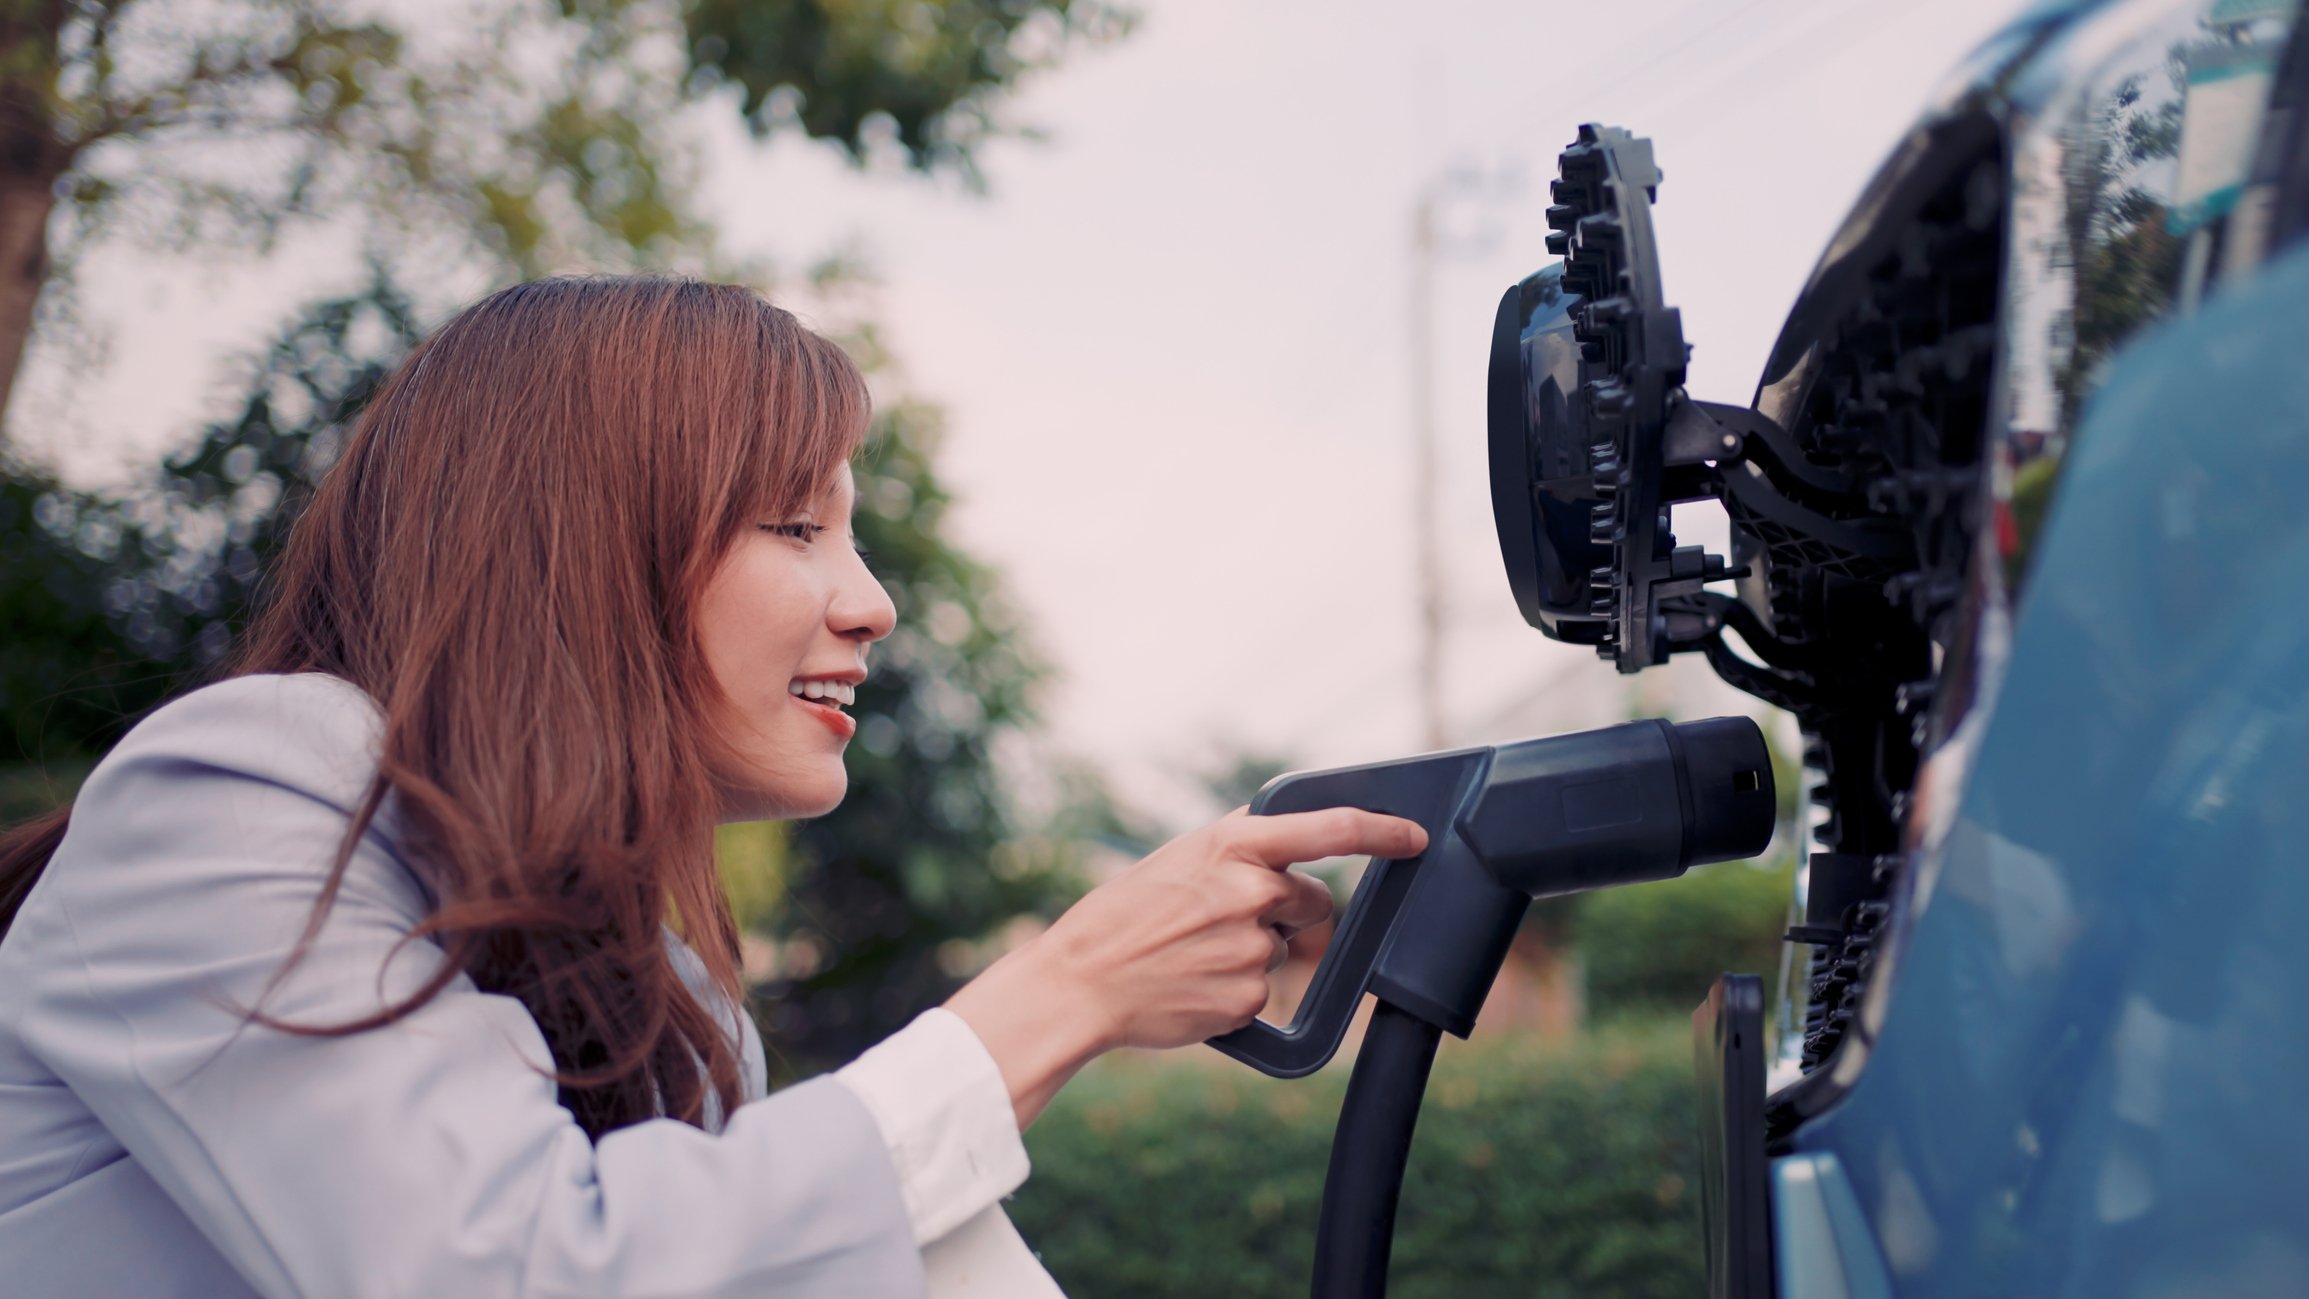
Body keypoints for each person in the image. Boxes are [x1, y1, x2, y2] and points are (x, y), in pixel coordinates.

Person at [0, 276, 1427, 1298]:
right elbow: (497, 1270)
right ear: (575, 549)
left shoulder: (670, 1003)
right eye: (795, 523)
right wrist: (1058, 995)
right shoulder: (237, 789)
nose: (868, 603)